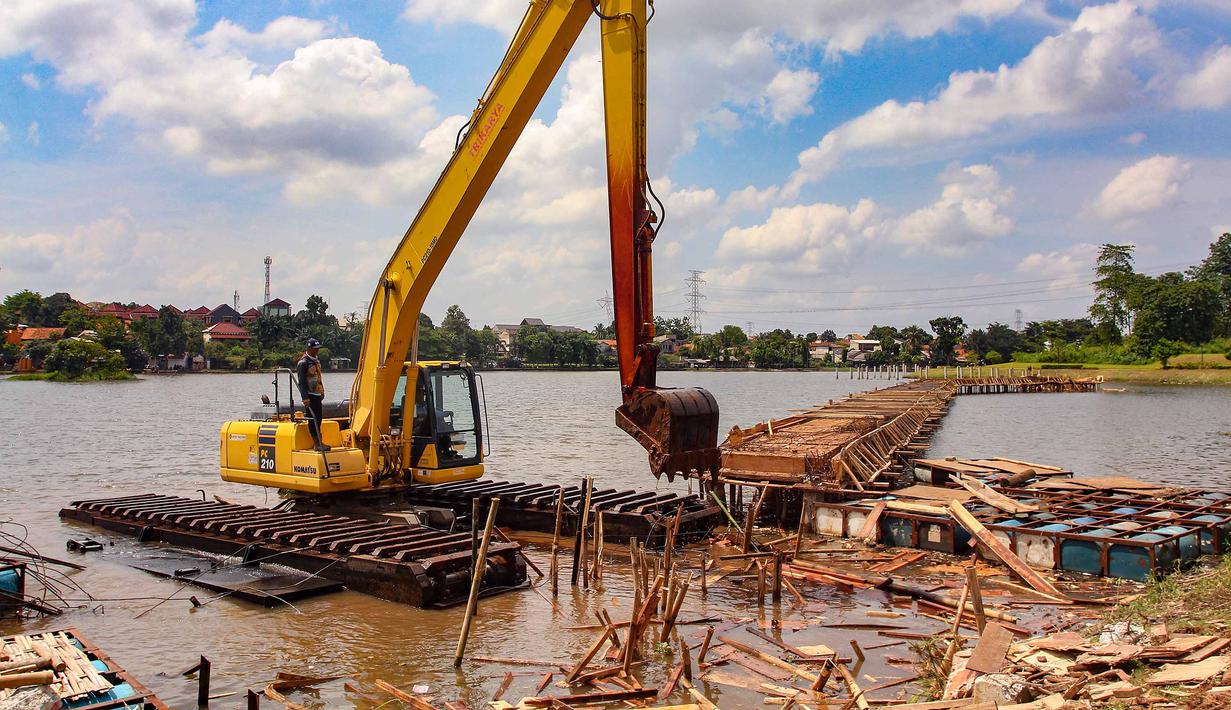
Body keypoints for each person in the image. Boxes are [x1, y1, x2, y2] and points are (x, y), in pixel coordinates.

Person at [296, 338, 329, 451]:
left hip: (317, 393)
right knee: (313, 419)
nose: (317, 351)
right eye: (315, 349)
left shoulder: (316, 361)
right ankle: (316, 442)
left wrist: (322, 391)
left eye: (318, 349)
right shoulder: (303, 363)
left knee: (318, 418)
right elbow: (301, 382)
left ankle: (320, 441)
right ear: (309, 349)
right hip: (310, 395)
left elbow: (318, 377)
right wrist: (305, 398)